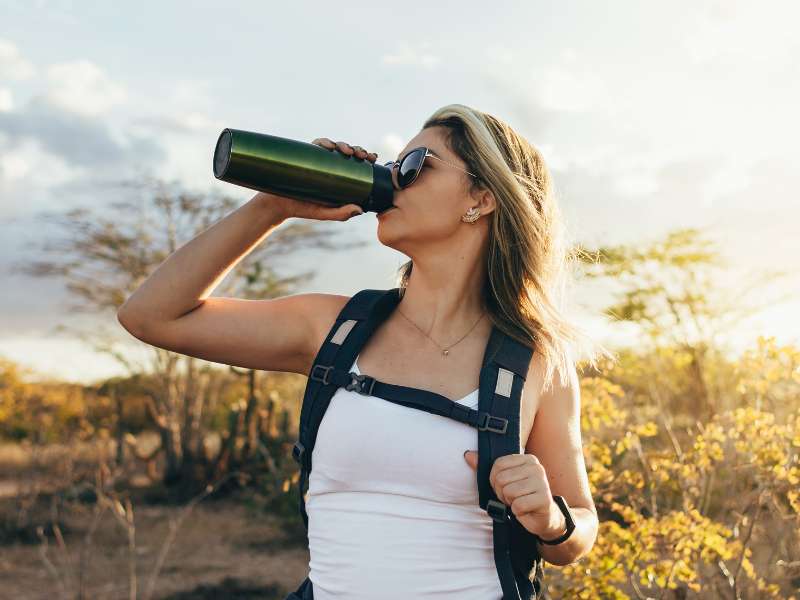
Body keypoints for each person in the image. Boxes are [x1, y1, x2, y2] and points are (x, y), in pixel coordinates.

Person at [117, 103, 608, 599]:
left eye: (415, 167)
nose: (391, 182)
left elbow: (579, 530)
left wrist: (550, 519)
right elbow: (151, 316)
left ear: (481, 197)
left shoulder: (536, 360)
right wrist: (273, 207)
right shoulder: (334, 328)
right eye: (391, 169)